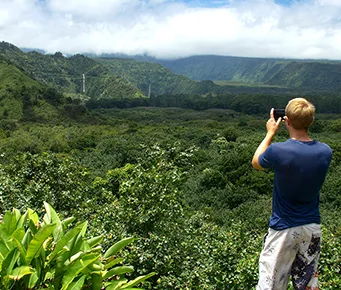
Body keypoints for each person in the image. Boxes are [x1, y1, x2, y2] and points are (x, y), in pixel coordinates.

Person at [251, 98, 332, 290]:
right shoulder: (325, 151)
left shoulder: (278, 150)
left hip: (284, 227)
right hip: (312, 227)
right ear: (311, 121)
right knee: (307, 285)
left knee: (270, 284)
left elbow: (256, 163)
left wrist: (270, 133)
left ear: (286, 121)